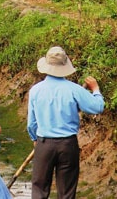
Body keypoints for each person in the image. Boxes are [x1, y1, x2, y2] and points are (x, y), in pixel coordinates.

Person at [27, 46, 104, 199]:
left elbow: (31, 123)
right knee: (67, 192)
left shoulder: (36, 90)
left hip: (44, 144)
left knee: (39, 190)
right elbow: (97, 107)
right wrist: (95, 89)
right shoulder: (74, 90)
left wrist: (35, 139)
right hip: (68, 145)